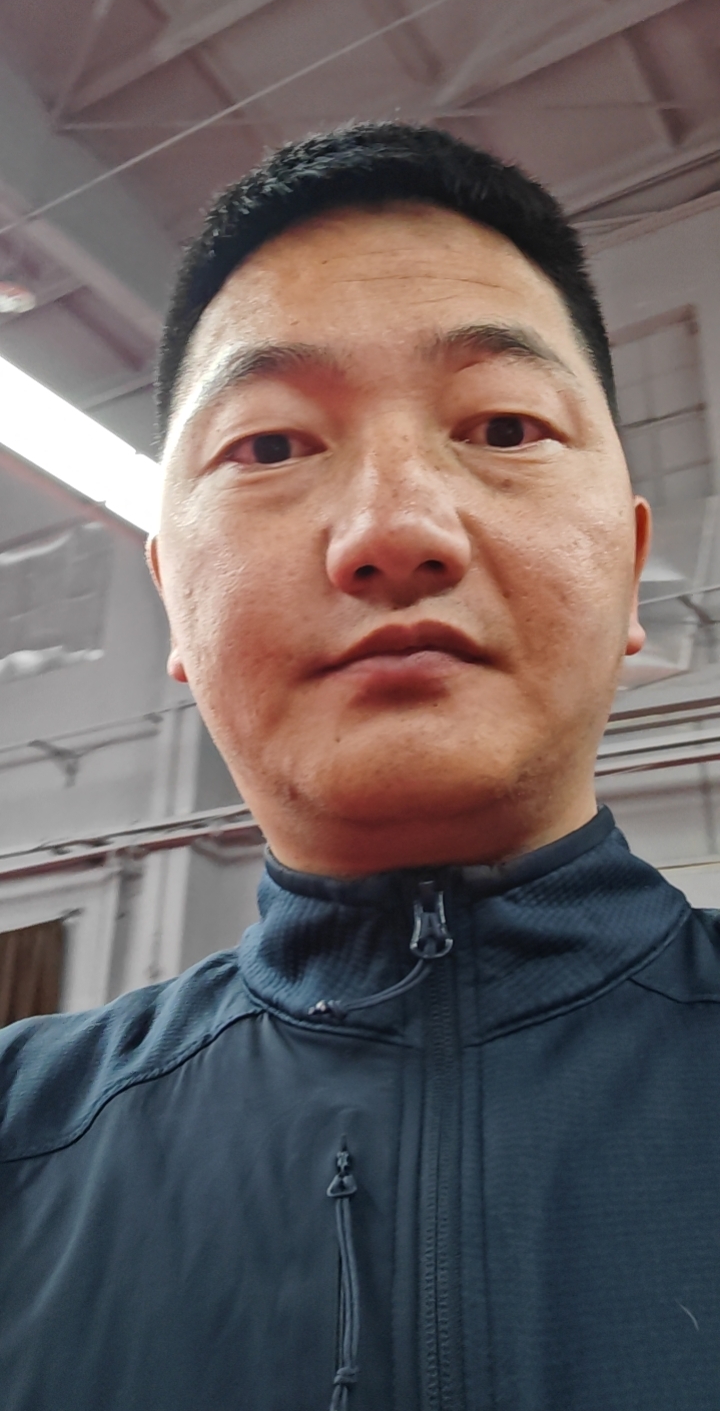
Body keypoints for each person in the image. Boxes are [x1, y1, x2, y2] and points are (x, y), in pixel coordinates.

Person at [1, 122, 719, 1411]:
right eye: (272, 447)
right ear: (172, 599)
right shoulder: (21, 1139)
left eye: (504, 425)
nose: (394, 530)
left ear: (627, 562)